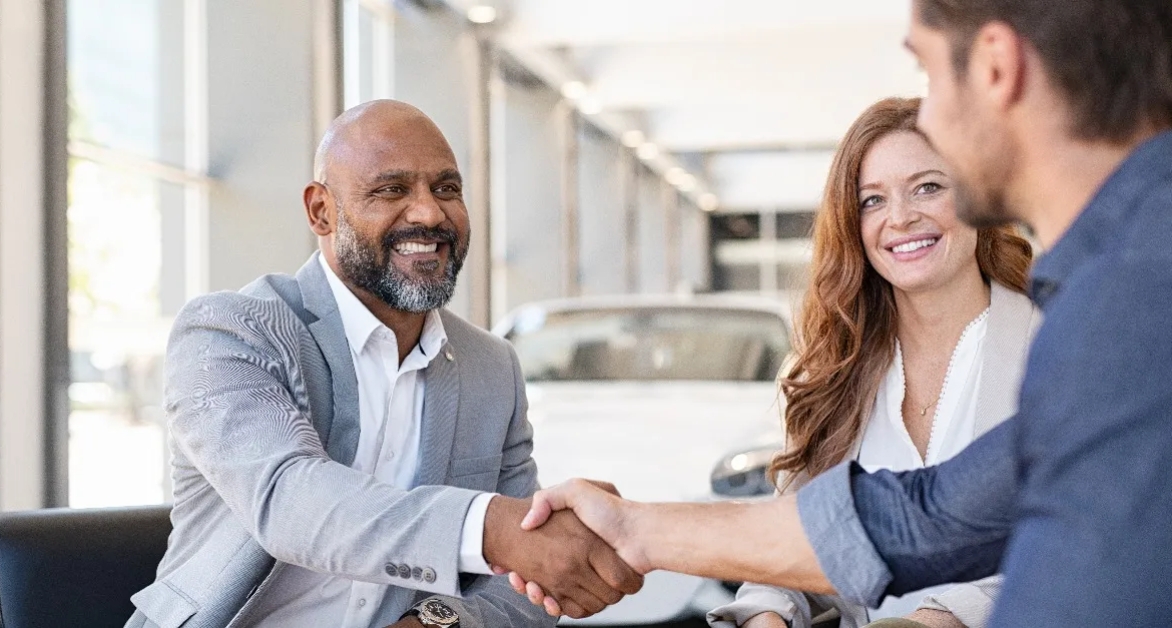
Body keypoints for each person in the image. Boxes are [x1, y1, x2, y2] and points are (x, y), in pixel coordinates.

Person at [506, 1, 1172, 625]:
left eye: (928, 74)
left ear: (998, 67)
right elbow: (926, 519)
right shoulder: (1112, 285)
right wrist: (637, 529)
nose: (932, 120)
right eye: (872, 199)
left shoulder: (1124, 303)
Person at [126, 100, 641, 628]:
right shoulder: (230, 331)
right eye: (392, 190)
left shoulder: (491, 367)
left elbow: (522, 581)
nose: (429, 214)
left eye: (446, 189)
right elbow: (288, 497)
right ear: (321, 211)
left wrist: (434, 623)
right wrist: (492, 528)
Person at [707, 97, 1038, 628]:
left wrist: (936, 621)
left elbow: (1079, 538)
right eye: (872, 200)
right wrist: (766, 613)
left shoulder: (1051, 342)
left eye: (928, 187)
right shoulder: (834, 368)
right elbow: (792, 548)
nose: (900, 217)